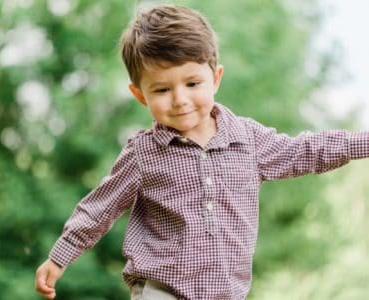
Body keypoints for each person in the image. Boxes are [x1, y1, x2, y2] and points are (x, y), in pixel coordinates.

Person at [35, 4, 369, 300]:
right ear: (140, 95)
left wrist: (362, 142)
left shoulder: (247, 140)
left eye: (192, 84)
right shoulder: (144, 153)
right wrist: (60, 257)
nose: (180, 99)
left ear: (215, 78)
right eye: (162, 89)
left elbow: (305, 151)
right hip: (159, 289)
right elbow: (100, 208)